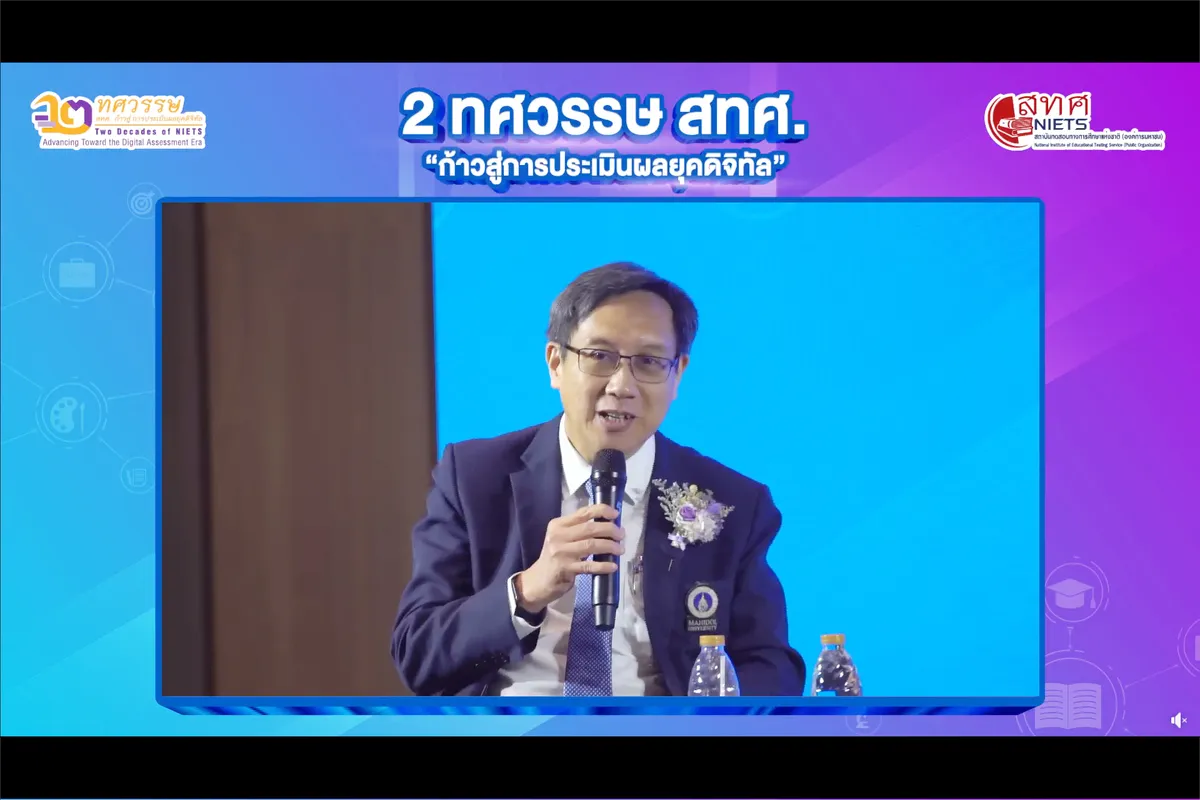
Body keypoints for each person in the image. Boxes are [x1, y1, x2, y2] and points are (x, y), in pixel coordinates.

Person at [391, 262, 807, 697]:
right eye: (599, 357)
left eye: (649, 362)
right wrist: (528, 590)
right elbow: (418, 654)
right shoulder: (475, 478)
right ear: (556, 363)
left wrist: (702, 717)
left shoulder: (731, 501)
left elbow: (772, 667)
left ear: (677, 373)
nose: (621, 385)